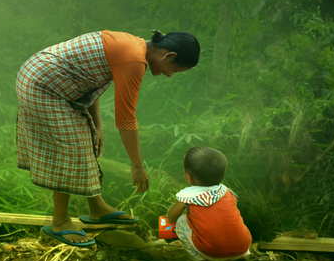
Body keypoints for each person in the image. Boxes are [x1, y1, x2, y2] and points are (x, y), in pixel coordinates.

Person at [16, 28, 200, 248]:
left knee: (87, 140)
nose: (169, 75)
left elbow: (90, 81)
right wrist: (137, 166)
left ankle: (97, 208)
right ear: (168, 56)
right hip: (43, 85)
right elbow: (126, 117)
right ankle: (60, 221)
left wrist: (97, 126)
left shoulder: (133, 46)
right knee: (71, 148)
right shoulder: (134, 58)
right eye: (175, 70)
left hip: (52, 81)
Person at [164, 145, 252, 261]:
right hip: (243, 248)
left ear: (188, 177)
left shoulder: (186, 196)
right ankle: (243, 256)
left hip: (212, 254)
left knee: (181, 221)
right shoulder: (227, 192)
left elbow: (171, 218)